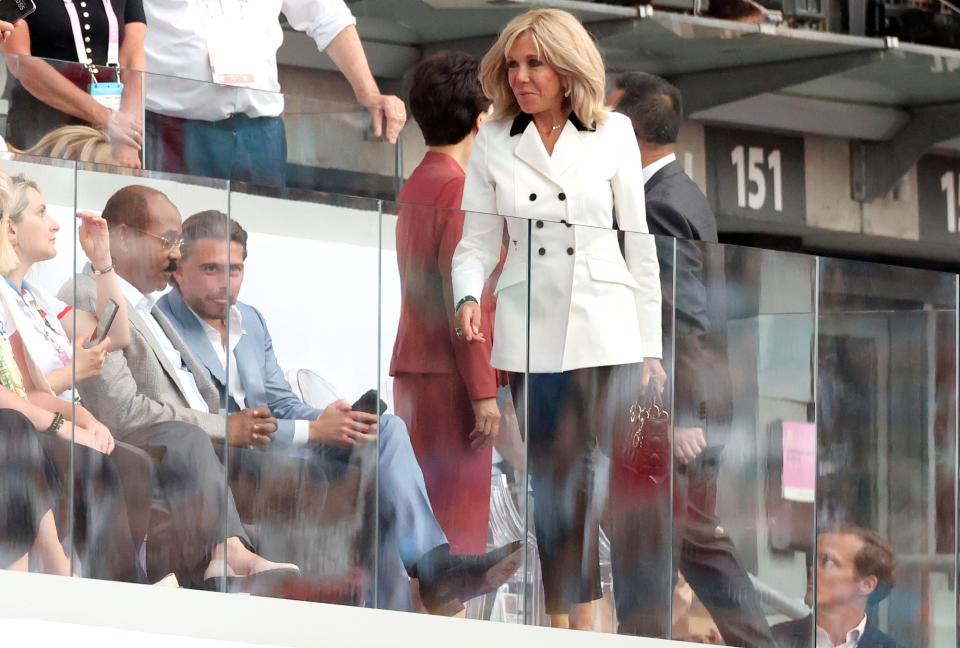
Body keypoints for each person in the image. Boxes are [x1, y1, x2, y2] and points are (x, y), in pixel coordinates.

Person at [156, 209, 523, 614]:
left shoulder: (252, 322)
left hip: (281, 448)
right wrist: (315, 432)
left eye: (235, 269)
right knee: (372, 486)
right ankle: (426, 585)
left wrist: (331, 419)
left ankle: (434, 568)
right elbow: (200, 424)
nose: (225, 283)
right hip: (228, 461)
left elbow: (281, 402)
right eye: (210, 269)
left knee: (386, 430)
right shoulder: (163, 324)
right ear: (178, 270)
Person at [452, 9, 665, 630]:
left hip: (605, 322)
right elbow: (473, 242)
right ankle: (562, 621)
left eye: (534, 63)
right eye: (513, 65)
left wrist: (649, 344)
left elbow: (639, 244)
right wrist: (469, 296)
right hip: (529, 327)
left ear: (567, 67)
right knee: (550, 476)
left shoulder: (614, 133)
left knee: (588, 468)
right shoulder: (494, 137)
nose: (520, 76)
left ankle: (591, 619)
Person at [53, 184, 295, 589]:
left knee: (310, 476)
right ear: (122, 237)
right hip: (164, 444)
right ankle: (227, 554)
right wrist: (222, 427)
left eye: (179, 241)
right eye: (168, 240)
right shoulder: (85, 293)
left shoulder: (152, 307)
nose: (177, 253)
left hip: (203, 446)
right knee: (188, 439)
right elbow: (120, 410)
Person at [608, 72, 776, 647]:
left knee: (657, 544)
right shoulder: (681, 194)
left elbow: (682, 315)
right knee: (689, 541)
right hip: (681, 408)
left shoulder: (661, 204)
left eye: (605, 119)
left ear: (629, 131)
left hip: (668, 413)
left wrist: (681, 413)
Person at [390, 51, 504, 556]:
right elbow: (463, 298)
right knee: (455, 537)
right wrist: (483, 391)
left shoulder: (420, 180)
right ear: (481, 121)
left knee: (424, 525)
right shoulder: (459, 189)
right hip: (454, 376)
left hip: (417, 371)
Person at [141, 0, 406, 187]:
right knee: (174, 246)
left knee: (255, 245)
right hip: (172, 126)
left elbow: (328, 15)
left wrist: (369, 93)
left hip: (259, 132)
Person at [1, 0, 144, 167]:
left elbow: (133, 60)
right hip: (42, 131)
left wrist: (129, 137)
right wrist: (105, 116)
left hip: (109, 135)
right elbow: (21, 62)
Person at [772, 526, 901, 648]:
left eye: (828, 561)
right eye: (813, 559)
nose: (812, 568)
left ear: (866, 585)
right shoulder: (773, 640)